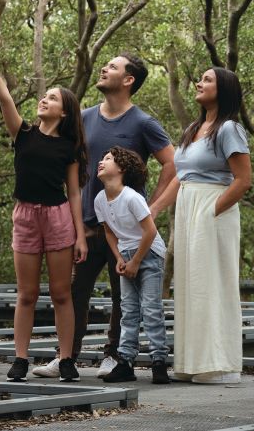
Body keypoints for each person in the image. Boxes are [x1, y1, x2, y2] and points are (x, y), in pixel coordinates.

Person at [32, 53, 175, 378]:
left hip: (126, 230)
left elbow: (173, 164)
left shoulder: (143, 123)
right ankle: (65, 357)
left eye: (113, 66)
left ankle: (113, 356)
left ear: (128, 80)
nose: (104, 68)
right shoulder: (82, 118)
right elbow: (64, 161)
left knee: (123, 295)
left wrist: (151, 207)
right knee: (71, 292)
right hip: (84, 224)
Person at [0, 34, 88, 382]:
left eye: (51, 98)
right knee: (27, 294)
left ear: (64, 111)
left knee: (62, 293)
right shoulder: (23, 133)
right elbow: (3, 96)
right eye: (43, 96)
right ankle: (20, 358)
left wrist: (80, 235)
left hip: (59, 217)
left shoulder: (69, 147)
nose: (43, 100)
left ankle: (66, 360)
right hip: (26, 217)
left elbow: (75, 193)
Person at [150, 67, 252, 384]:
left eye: (207, 80)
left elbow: (243, 180)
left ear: (224, 89)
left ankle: (219, 365)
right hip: (188, 209)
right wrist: (153, 210)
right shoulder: (195, 128)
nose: (199, 83)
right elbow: (181, 177)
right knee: (191, 285)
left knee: (212, 284)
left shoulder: (229, 129)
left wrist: (211, 211)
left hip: (212, 209)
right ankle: (192, 363)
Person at [93, 147, 170, 384]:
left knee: (150, 308)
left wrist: (136, 261)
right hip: (126, 255)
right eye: (102, 157)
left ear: (122, 169)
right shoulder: (100, 199)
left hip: (149, 254)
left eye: (108, 159)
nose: (101, 161)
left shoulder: (131, 197)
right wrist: (119, 258)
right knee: (128, 311)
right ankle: (125, 362)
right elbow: (109, 232)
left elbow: (150, 231)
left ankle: (159, 362)